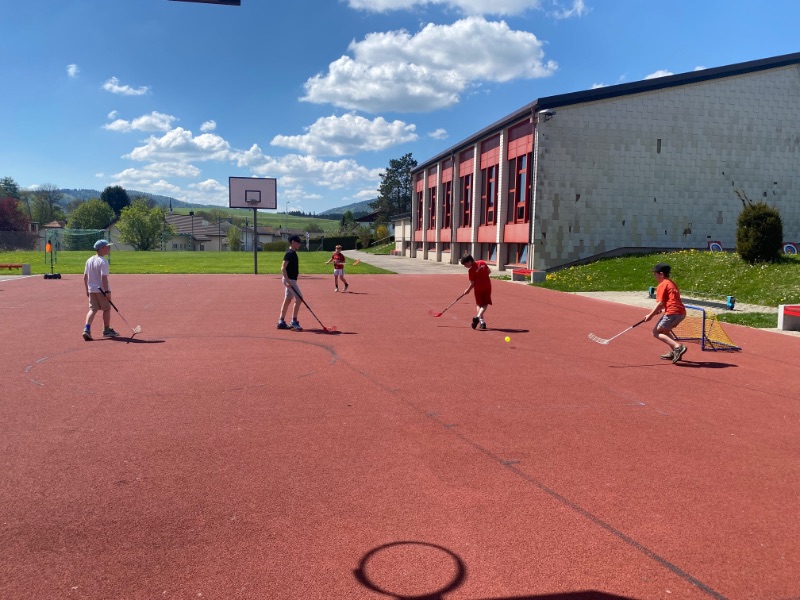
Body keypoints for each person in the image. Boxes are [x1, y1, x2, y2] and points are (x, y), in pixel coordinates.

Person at [644, 262, 687, 363]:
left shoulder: (662, 285)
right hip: (681, 313)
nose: (654, 276)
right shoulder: (671, 283)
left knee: (656, 332)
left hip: (672, 312)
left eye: (655, 274)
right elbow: (668, 300)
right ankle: (675, 352)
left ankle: (678, 347)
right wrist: (661, 308)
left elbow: (660, 303)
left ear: (661, 274)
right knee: (665, 332)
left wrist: (650, 315)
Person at [82, 239, 119, 341]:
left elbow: (85, 277)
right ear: (102, 248)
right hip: (101, 290)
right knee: (106, 309)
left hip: (92, 289)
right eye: (107, 247)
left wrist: (87, 290)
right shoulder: (103, 261)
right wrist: (107, 292)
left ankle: (86, 329)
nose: (109, 249)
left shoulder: (89, 260)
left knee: (92, 310)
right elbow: (104, 278)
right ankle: (106, 330)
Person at [277, 235, 304, 331]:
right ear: (293, 242)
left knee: (288, 299)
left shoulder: (293, 253)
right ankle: (294, 321)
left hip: (291, 280)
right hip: (290, 280)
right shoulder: (289, 253)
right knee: (299, 298)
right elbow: (283, 268)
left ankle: (281, 321)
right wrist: (288, 281)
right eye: (298, 242)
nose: (299, 244)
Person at [460, 253, 492, 330]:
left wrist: (467, 290)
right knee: (485, 304)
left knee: (479, 304)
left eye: (465, 264)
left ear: (470, 261)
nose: (465, 266)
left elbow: (472, 283)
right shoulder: (482, 262)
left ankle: (480, 320)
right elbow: (489, 271)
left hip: (478, 288)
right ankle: (481, 322)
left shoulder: (471, 270)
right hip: (487, 286)